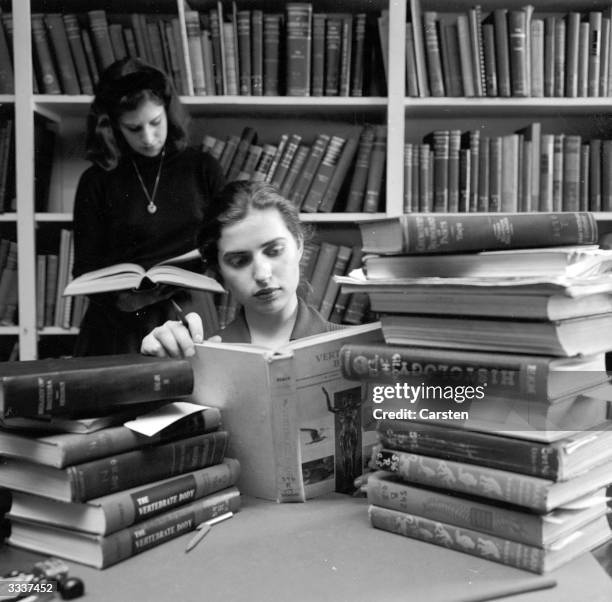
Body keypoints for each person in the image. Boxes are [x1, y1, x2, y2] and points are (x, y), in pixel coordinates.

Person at [72, 58, 225, 355]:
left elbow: (226, 244)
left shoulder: (202, 167)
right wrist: (123, 298)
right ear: (113, 126)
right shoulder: (97, 180)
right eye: (133, 128)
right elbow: (84, 267)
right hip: (120, 319)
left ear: (168, 112)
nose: (148, 137)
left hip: (188, 311)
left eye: (155, 122)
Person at [141, 180, 345, 357]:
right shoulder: (204, 357)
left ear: (299, 245)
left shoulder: (360, 347)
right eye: (239, 261)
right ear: (219, 271)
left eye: (274, 251)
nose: (262, 275)